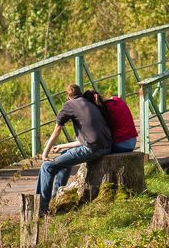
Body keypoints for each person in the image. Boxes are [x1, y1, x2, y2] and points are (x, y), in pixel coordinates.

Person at [36, 83, 112, 215]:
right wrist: (63, 146)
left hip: (92, 149)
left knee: (47, 167)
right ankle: (55, 197)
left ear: (68, 96)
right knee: (65, 156)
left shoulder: (69, 105)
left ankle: (41, 209)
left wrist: (45, 153)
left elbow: (56, 131)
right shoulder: (89, 103)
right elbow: (89, 136)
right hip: (106, 146)